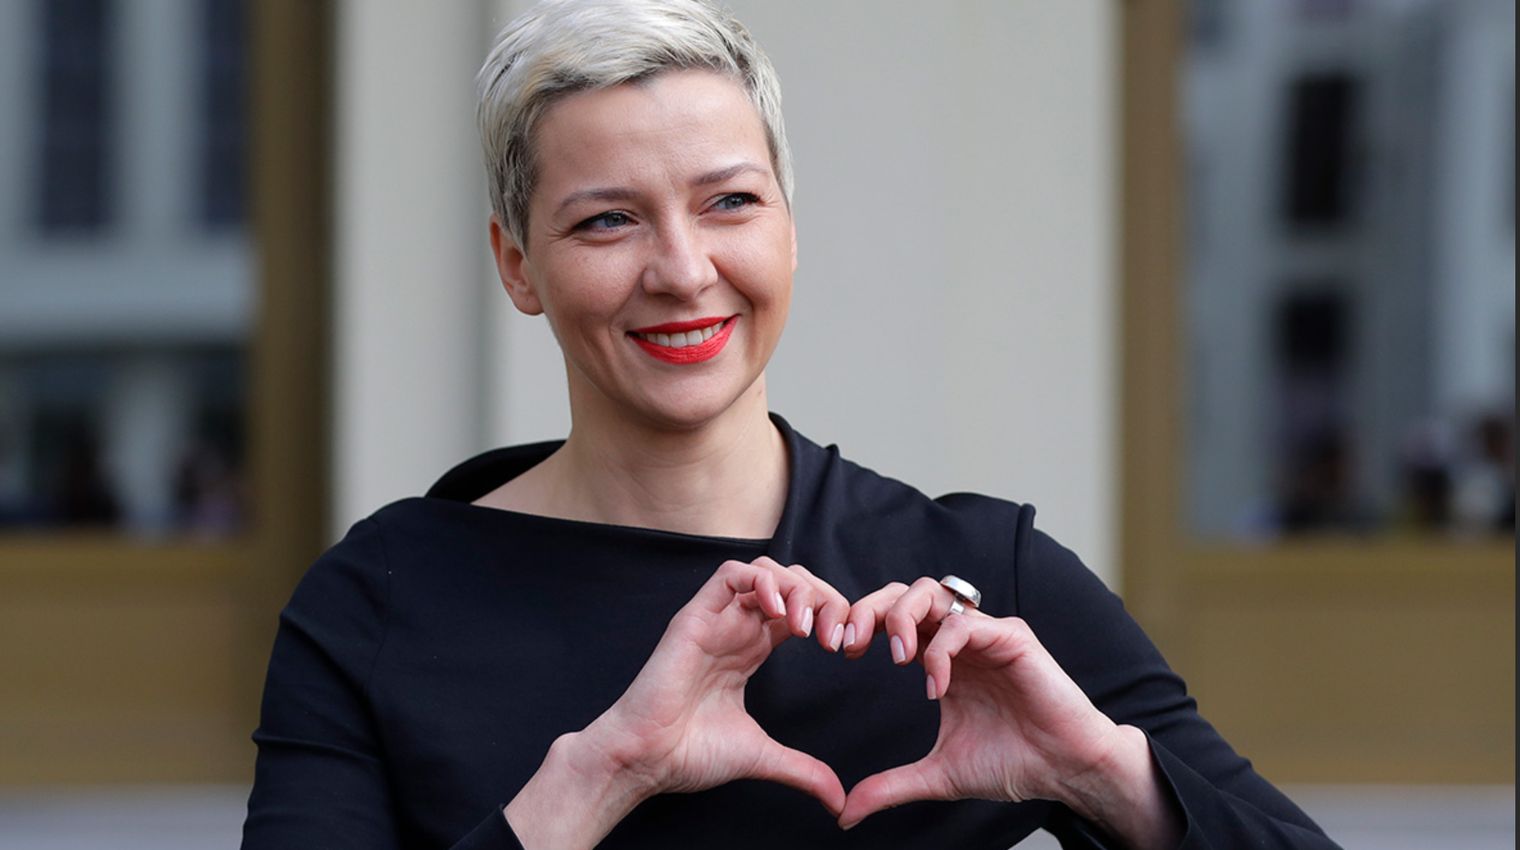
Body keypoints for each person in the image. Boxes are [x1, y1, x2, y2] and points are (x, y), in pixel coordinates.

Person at [242, 1, 1343, 848]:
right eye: (608, 220)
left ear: (789, 227)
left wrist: (1102, 775)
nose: (683, 270)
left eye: (729, 202)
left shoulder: (978, 585)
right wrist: (599, 775)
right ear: (518, 265)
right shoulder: (379, 599)